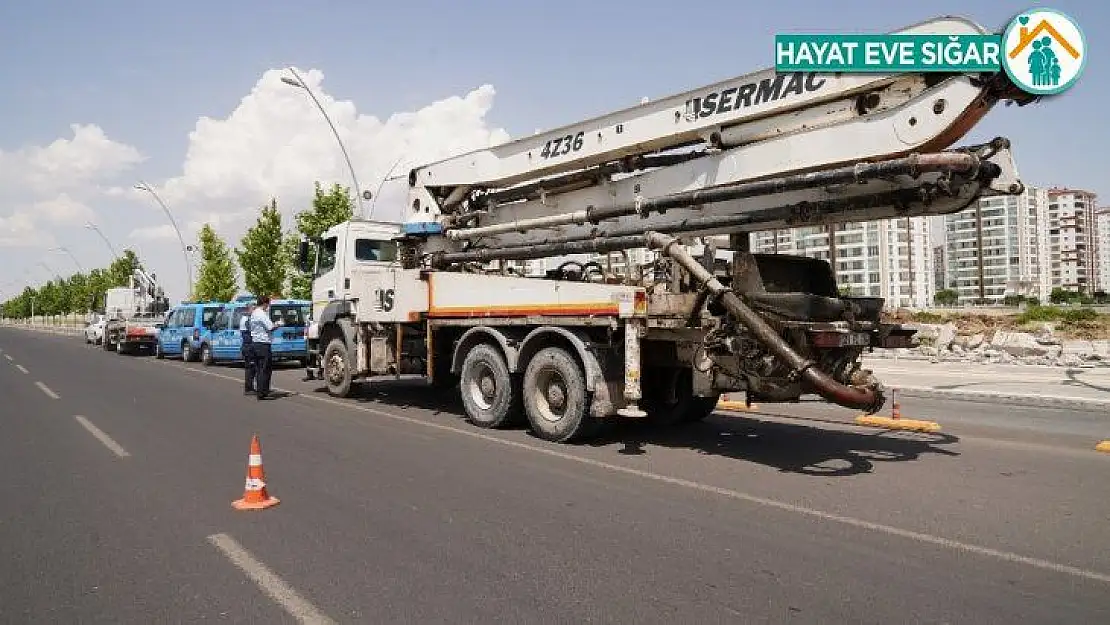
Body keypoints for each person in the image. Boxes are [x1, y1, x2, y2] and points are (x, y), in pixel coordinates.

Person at [248, 294, 284, 399]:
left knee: (259, 368)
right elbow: (270, 327)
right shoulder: (261, 314)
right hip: (263, 344)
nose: (268, 306)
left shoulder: (254, 313)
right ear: (264, 303)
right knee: (265, 369)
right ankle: (263, 392)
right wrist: (278, 324)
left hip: (255, 342)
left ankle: (260, 391)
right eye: (267, 304)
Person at [239, 302, 256, 394]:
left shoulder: (247, 318)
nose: (254, 311)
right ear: (248, 309)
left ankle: (250, 387)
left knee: (252, 368)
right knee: (250, 368)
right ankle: (249, 389)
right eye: (253, 309)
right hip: (248, 346)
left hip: (248, 346)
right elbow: (251, 332)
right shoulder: (246, 319)